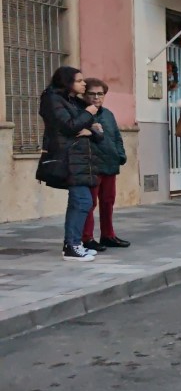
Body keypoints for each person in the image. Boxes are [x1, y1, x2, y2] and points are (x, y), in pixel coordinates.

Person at [37, 66, 103, 262]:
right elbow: (69, 126)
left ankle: (73, 244)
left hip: (80, 158)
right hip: (68, 157)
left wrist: (91, 129)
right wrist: (89, 112)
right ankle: (72, 246)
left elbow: (97, 131)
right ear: (67, 82)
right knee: (82, 201)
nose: (84, 83)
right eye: (79, 80)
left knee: (81, 201)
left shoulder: (73, 101)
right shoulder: (52, 99)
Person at [80, 78, 130, 252]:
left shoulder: (108, 114)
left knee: (108, 201)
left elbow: (116, 136)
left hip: (109, 162)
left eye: (100, 94)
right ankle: (87, 238)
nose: (96, 97)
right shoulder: (81, 113)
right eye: (92, 94)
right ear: (84, 95)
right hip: (91, 164)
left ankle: (108, 235)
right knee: (90, 202)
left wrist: (120, 155)